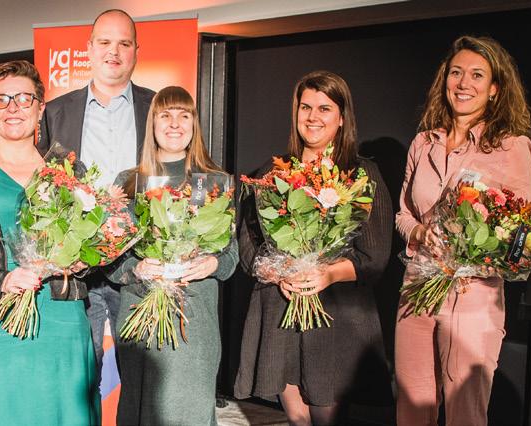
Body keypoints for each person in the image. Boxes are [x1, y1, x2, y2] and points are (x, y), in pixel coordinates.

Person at [234, 71, 393, 426]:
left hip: (334, 317)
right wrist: (277, 273)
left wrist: (328, 274)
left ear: (342, 118)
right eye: (305, 107)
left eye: (324, 108)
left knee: (326, 419)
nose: (312, 117)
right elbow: (248, 244)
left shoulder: (361, 175)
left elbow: (376, 257)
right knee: (297, 419)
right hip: (281, 310)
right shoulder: (273, 172)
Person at [394, 36, 531, 425]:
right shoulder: (423, 142)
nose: (463, 83)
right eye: (456, 73)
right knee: (411, 409)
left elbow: (521, 233)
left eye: (477, 75)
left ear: (495, 89)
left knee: (464, 416)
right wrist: (418, 232)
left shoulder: (511, 147)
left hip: (472, 297)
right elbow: (403, 214)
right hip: (417, 288)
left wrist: (476, 256)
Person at [0, 60, 99, 425]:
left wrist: (83, 260)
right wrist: (1, 280)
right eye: (1, 100)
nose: (13, 108)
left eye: (23, 98)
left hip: (60, 316)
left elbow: (94, 241)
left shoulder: (70, 170)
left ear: (40, 107)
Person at [106, 86, 239, 425]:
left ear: (194, 124)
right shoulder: (130, 182)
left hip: (194, 321)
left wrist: (212, 263)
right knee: (142, 411)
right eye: (165, 115)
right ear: (152, 123)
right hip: (141, 316)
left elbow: (231, 257)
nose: (175, 124)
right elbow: (110, 259)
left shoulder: (213, 181)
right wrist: (137, 268)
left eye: (184, 115)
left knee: (188, 411)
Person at [41, 8, 156, 370]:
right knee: (78, 374)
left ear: (136, 51)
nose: (114, 52)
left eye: (124, 43)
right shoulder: (54, 112)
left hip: (140, 265)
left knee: (142, 377)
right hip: (77, 269)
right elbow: (41, 189)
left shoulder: (158, 109)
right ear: (89, 48)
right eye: (105, 42)